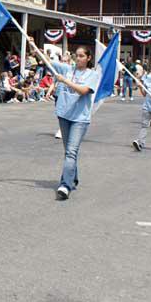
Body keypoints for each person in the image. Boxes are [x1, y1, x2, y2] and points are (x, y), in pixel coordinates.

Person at [29, 37, 98, 201]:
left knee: (71, 152)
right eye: (77, 55)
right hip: (64, 115)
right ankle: (72, 177)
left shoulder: (92, 74)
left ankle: (65, 185)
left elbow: (83, 91)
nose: (78, 58)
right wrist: (32, 44)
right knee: (69, 152)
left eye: (82, 56)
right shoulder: (68, 69)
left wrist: (65, 81)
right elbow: (46, 60)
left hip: (80, 118)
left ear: (88, 58)